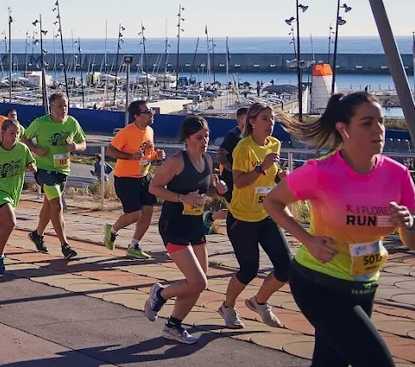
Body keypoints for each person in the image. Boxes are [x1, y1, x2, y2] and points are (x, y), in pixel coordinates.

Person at [263, 92, 415, 367]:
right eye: (367, 123)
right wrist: (308, 240)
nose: (379, 130)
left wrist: (408, 225)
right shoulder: (321, 171)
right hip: (318, 282)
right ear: (343, 129)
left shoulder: (398, 174)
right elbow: (272, 202)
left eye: (381, 121)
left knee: (331, 362)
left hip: (364, 284)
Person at [145, 115, 226, 345]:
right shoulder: (176, 161)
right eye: (199, 137)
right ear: (187, 139)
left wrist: (218, 190)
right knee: (198, 282)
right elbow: (154, 187)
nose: (205, 141)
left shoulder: (207, 161)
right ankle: (160, 294)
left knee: (198, 283)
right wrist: (181, 197)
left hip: (195, 224)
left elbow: (206, 191)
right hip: (174, 225)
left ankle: (173, 325)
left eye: (207, 136)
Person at [218, 102, 291, 329]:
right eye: (265, 119)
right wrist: (261, 167)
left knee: (286, 267)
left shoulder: (275, 144)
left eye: (272, 119)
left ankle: (259, 302)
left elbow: (273, 177)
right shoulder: (243, 148)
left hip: (266, 214)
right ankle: (227, 307)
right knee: (249, 269)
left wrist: (283, 177)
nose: (271, 124)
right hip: (242, 217)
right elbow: (239, 182)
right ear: (252, 122)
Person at [23, 93, 86, 260]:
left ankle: (37, 234)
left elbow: (83, 143)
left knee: (49, 206)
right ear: (51, 107)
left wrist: (75, 146)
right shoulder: (40, 122)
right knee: (57, 205)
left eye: (65, 105)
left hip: (62, 170)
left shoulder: (72, 122)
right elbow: (24, 138)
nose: (63, 109)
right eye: (59, 106)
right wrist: (36, 150)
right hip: (44, 170)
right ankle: (65, 245)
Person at [103, 100, 165, 260]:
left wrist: (156, 156)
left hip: (144, 177)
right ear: (136, 116)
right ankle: (112, 230)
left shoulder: (150, 130)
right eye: (147, 111)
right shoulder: (126, 132)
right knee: (135, 214)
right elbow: (110, 151)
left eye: (151, 110)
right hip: (125, 179)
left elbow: (146, 153)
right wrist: (130, 157)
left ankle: (134, 245)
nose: (151, 113)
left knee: (148, 211)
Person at [0, 118, 34, 277]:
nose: (15, 136)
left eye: (17, 134)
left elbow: (30, 162)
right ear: (2, 133)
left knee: (2, 226)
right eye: (11, 133)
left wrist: (32, 167)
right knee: (11, 222)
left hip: (13, 192)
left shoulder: (22, 149)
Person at [211, 107, 249, 232]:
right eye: (247, 118)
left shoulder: (250, 136)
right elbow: (220, 156)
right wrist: (234, 170)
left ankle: (213, 216)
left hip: (246, 178)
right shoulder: (233, 135)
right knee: (237, 210)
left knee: (244, 208)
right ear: (240, 120)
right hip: (231, 179)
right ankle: (212, 216)